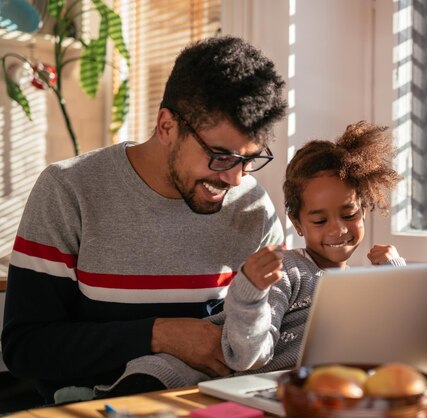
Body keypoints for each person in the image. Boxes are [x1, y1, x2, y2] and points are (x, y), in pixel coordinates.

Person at [1, 36, 287, 404]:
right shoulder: (69, 190)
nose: (235, 178)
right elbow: (26, 349)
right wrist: (159, 335)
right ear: (167, 126)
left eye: (249, 159)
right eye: (220, 156)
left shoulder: (252, 206)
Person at [93, 120, 405, 396]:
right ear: (298, 223)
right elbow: (248, 356)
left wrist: (396, 278)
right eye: (320, 221)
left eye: (349, 214)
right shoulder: (289, 270)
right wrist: (251, 291)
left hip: (268, 392)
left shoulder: (364, 286)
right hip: (177, 374)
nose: (338, 230)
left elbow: (402, 346)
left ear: (364, 210)